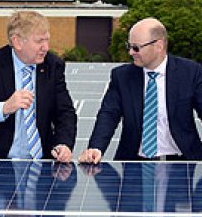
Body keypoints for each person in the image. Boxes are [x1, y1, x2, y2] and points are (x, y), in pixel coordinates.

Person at [0, 10, 77, 161]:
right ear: (17, 42)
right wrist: (4, 108)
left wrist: (63, 143)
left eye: (47, 40)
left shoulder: (53, 66)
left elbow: (65, 112)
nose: (46, 47)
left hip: (41, 162)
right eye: (39, 41)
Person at [79, 17, 202, 163]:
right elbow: (108, 114)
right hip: (134, 162)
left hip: (183, 162)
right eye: (129, 46)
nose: (131, 52)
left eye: (136, 47)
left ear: (159, 45)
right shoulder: (122, 76)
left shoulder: (190, 72)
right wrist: (96, 147)